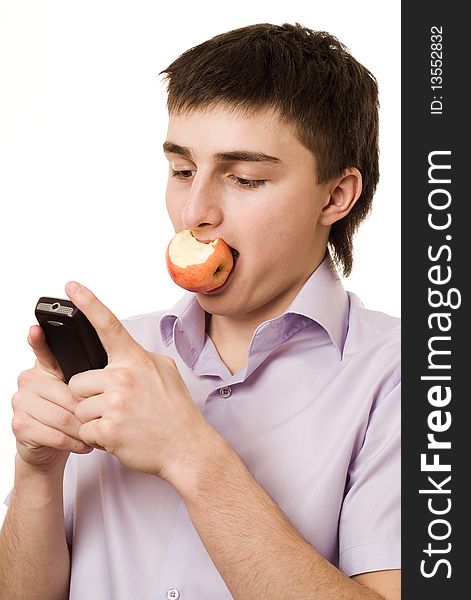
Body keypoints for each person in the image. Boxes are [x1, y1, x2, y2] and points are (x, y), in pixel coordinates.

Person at [0, 22, 400, 600]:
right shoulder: (115, 361)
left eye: (244, 178)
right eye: (183, 171)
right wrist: (37, 472)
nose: (194, 211)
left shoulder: (411, 378)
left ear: (336, 196)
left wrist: (190, 454)